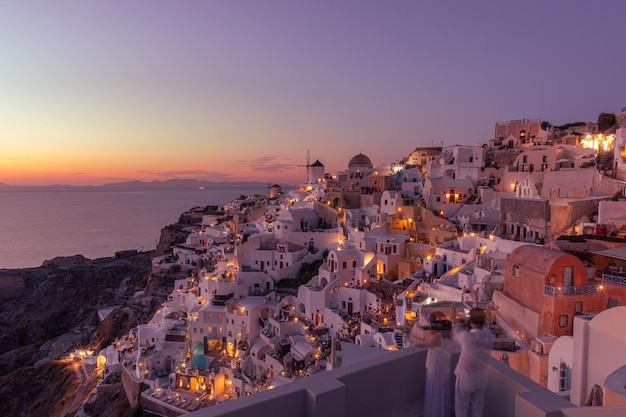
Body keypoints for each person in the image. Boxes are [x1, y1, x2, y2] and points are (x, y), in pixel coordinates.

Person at [453, 308, 492, 417]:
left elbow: (456, 332)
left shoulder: (467, 337)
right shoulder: (489, 337)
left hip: (465, 378)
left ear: (471, 321)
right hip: (481, 379)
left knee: (461, 408)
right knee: (478, 410)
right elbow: (484, 331)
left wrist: (461, 322)